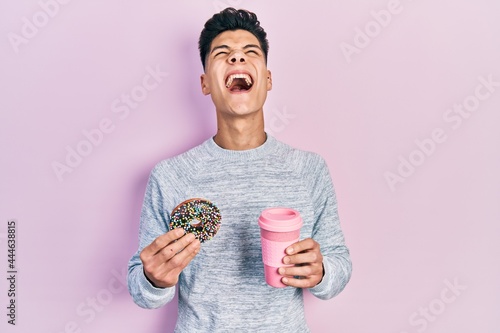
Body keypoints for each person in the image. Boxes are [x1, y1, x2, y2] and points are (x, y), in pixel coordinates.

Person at [127, 7, 352, 332]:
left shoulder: (309, 169)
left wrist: (322, 272)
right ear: (205, 83)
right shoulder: (170, 175)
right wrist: (153, 278)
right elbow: (140, 288)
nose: (236, 59)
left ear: (268, 79)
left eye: (250, 52)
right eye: (223, 54)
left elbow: (338, 265)